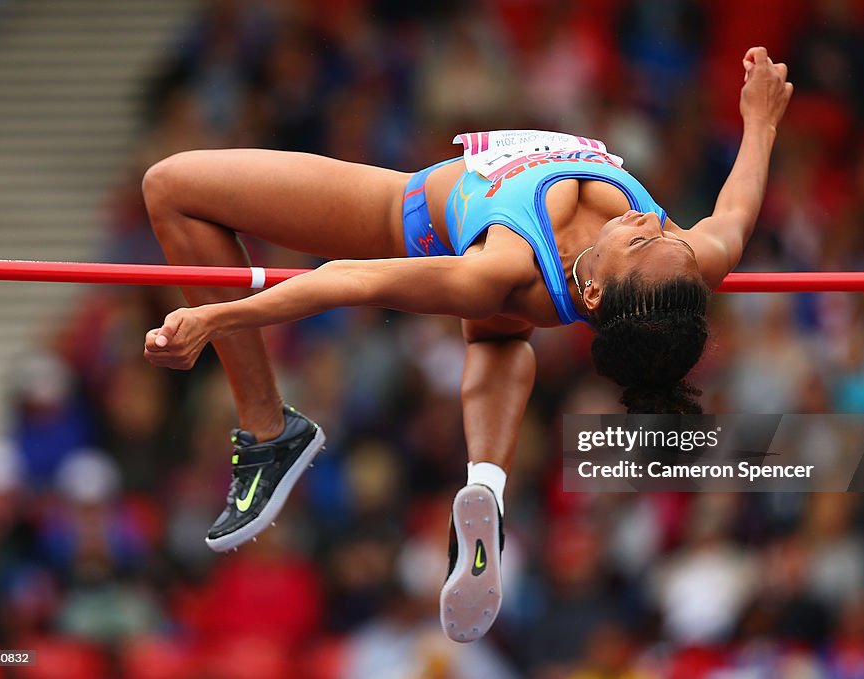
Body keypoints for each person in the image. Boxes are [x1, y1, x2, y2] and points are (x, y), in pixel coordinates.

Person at [141, 46, 793, 642]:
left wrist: (215, 319)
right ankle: (487, 483)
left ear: (594, 292)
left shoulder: (501, 269)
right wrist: (759, 119)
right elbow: (733, 215)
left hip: (409, 216)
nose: (651, 218)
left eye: (645, 241)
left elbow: (345, 279)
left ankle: (267, 429)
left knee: (170, 186)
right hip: (504, 265)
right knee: (499, 332)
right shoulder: (684, 267)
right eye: (666, 232)